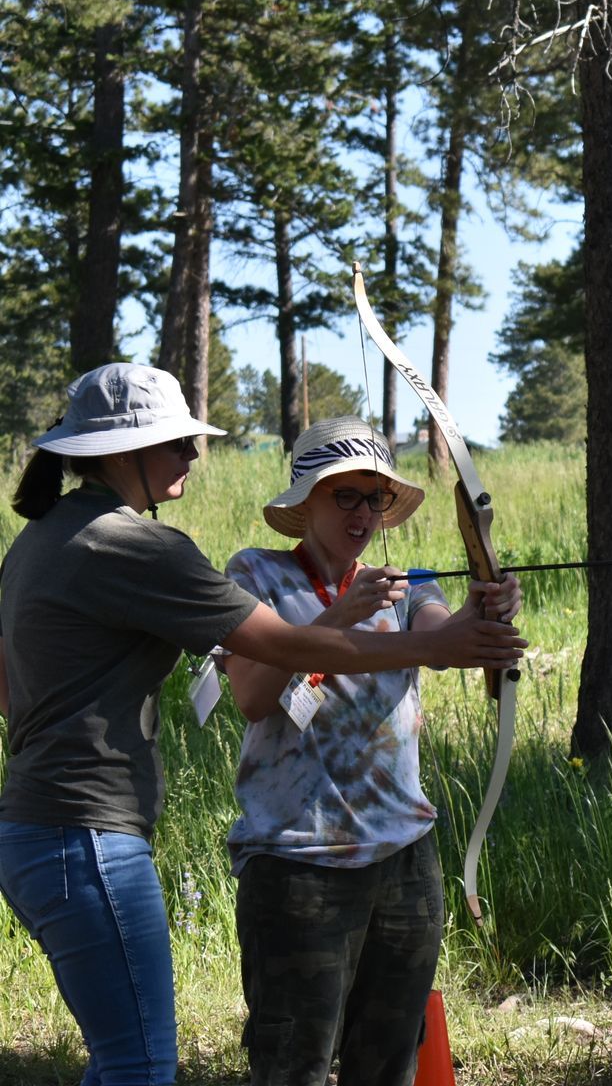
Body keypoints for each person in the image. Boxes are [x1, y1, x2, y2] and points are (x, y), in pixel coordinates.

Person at [0, 364, 525, 1086]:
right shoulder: (136, 546)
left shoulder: (43, 537)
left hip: (52, 825)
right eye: (177, 442)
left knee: (143, 1061)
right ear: (126, 452)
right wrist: (423, 642)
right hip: (96, 833)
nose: (192, 455)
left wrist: (475, 619)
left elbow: (10, 689)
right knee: (147, 1065)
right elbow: (263, 667)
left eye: (377, 499)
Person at [218, 416, 522, 1086]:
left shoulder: (408, 583)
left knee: (387, 1061)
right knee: (292, 1058)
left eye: (375, 497)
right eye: (345, 496)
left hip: (404, 858)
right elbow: (251, 695)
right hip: (298, 859)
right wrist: (339, 617)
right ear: (306, 502)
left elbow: (447, 638)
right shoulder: (256, 574)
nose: (363, 514)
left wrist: (491, 604)